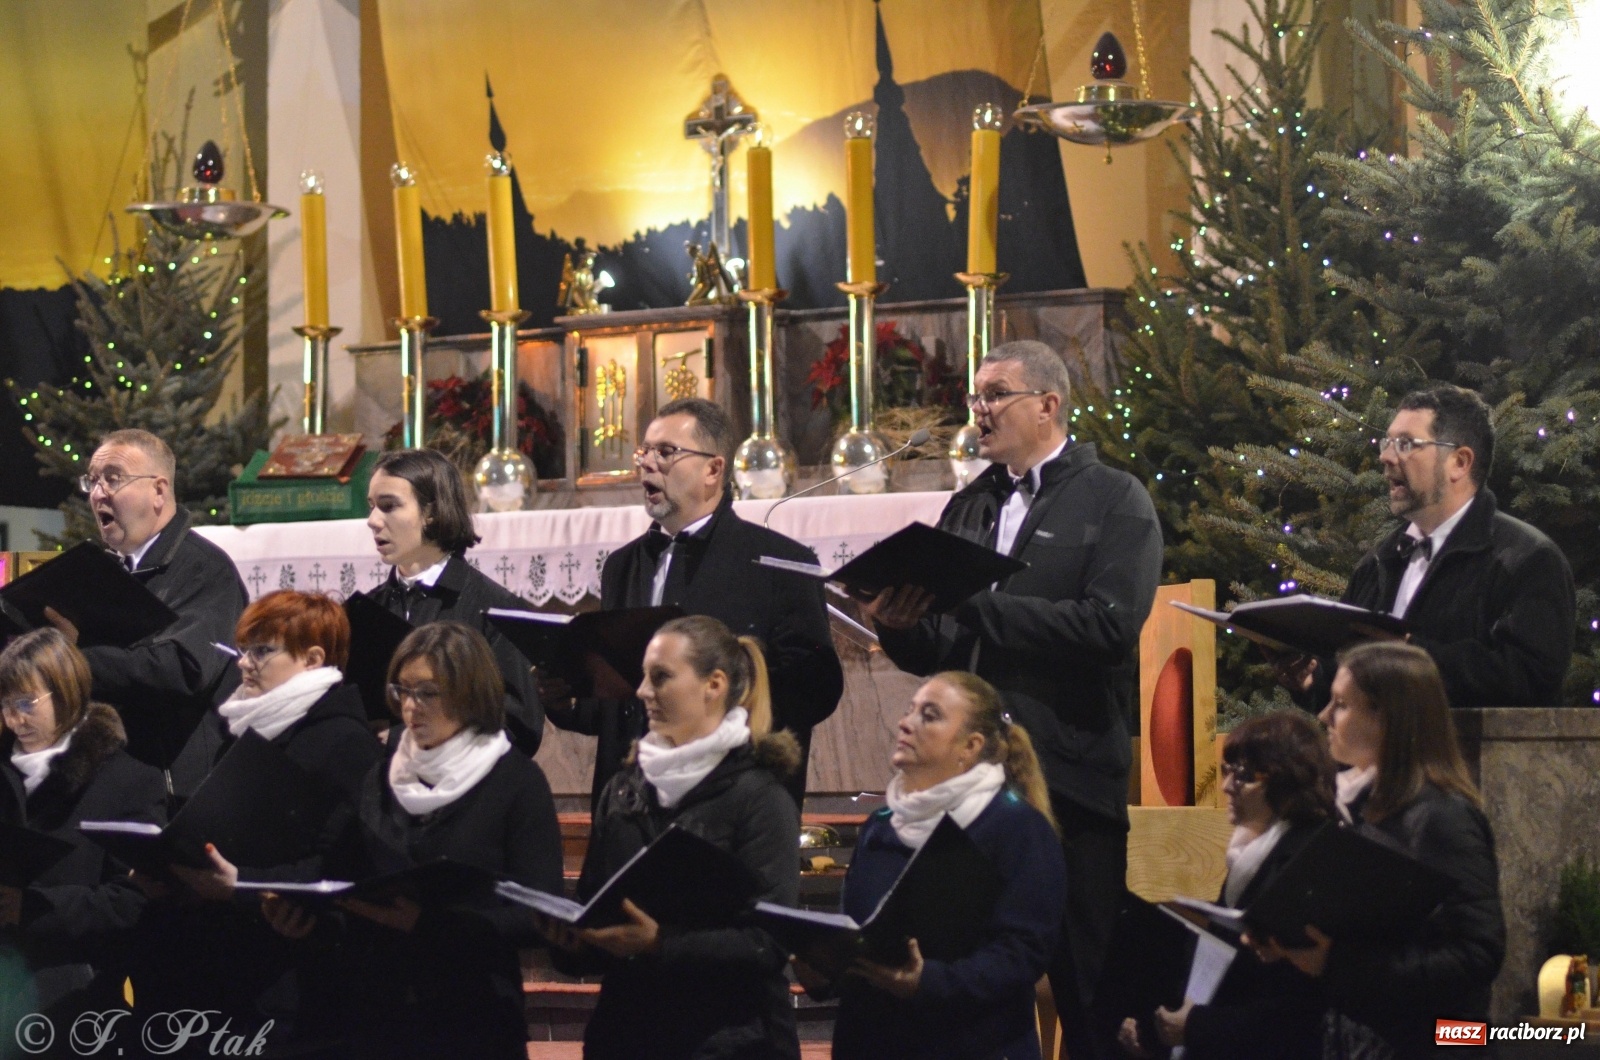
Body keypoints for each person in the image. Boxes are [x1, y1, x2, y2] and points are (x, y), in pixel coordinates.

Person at [861, 339, 1164, 1059]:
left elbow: (1111, 626)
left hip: (1069, 777)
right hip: (972, 785)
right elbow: (941, 643)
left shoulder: (1114, 497)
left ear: (1048, 405)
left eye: (995, 394)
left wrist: (981, 606)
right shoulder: (969, 505)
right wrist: (900, 626)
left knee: (1085, 983)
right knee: (973, 977)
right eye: (976, 396)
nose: (979, 410)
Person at [263, 621, 562, 1060]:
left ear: (468, 692)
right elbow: (342, 873)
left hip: (473, 1015)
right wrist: (300, 914)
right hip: (377, 1015)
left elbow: (541, 909)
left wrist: (431, 924)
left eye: (428, 692)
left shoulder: (514, 781)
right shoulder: (381, 775)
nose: (410, 707)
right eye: (402, 691)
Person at [544, 397, 842, 807]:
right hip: (631, 800)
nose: (647, 464)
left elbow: (815, 689)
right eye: (644, 452)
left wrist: (713, 696)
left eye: (666, 452)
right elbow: (622, 700)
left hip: (730, 799)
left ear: (713, 469)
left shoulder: (777, 561)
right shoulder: (623, 565)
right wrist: (568, 701)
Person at [130, 591, 386, 1050]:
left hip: (304, 979)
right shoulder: (249, 729)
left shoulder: (345, 741)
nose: (244, 664)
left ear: (312, 659)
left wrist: (244, 883)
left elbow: (353, 860)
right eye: (243, 650)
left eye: (262, 651)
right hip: (235, 967)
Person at [541, 615, 803, 1060]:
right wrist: (571, 942)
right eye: (644, 676)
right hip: (629, 1034)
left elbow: (768, 942)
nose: (642, 691)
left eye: (659, 677)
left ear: (714, 685)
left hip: (731, 1038)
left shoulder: (759, 796)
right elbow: (599, 907)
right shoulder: (624, 790)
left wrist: (661, 944)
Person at [1256, 641, 1504, 1059]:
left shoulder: (1443, 817)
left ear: (1386, 717)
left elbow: (1477, 954)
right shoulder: (1356, 805)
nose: (1323, 717)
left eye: (1340, 705)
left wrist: (1337, 965)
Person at [816, 671, 1067, 1060]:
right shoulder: (881, 825)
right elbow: (860, 933)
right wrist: (823, 965)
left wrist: (927, 982)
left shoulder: (1017, 829)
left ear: (971, 745)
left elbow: (1022, 954)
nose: (905, 722)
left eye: (929, 715)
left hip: (973, 1043)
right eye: (909, 710)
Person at [1285, 384, 1575, 708]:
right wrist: (1311, 681)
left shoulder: (1527, 560)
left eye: (1406, 444)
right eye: (1387, 441)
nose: (1385, 456)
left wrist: (1409, 654)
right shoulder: (1378, 561)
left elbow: (1529, 680)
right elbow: (1353, 681)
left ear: (1459, 463)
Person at [1115, 711, 1333, 1060]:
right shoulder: (1249, 854)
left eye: (1243, 776)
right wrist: (1155, 1030)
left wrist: (1195, 1028)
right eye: (1227, 771)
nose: (1227, 786)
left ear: (1286, 781)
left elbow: (1292, 1005)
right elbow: (1214, 965)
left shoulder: (1304, 862)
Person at [53, 429, 248, 790]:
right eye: (92, 481)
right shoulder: (107, 571)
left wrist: (70, 659)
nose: (97, 493)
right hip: (113, 778)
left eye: (112, 478)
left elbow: (183, 669)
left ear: (158, 491)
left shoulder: (203, 568)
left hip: (177, 784)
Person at [0, 629, 166, 1040]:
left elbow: (132, 901)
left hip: (71, 1000)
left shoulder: (129, 781)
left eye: (25, 704)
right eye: (4, 705)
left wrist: (31, 908)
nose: (13, 720)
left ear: (66, 693)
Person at [357, 447, 544, 753]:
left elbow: (519, 726)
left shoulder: (494, 608)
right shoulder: (368, 609)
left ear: (430, 513)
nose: (373, 520)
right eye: (372, 506)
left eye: (389, 506)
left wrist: (398, 740)